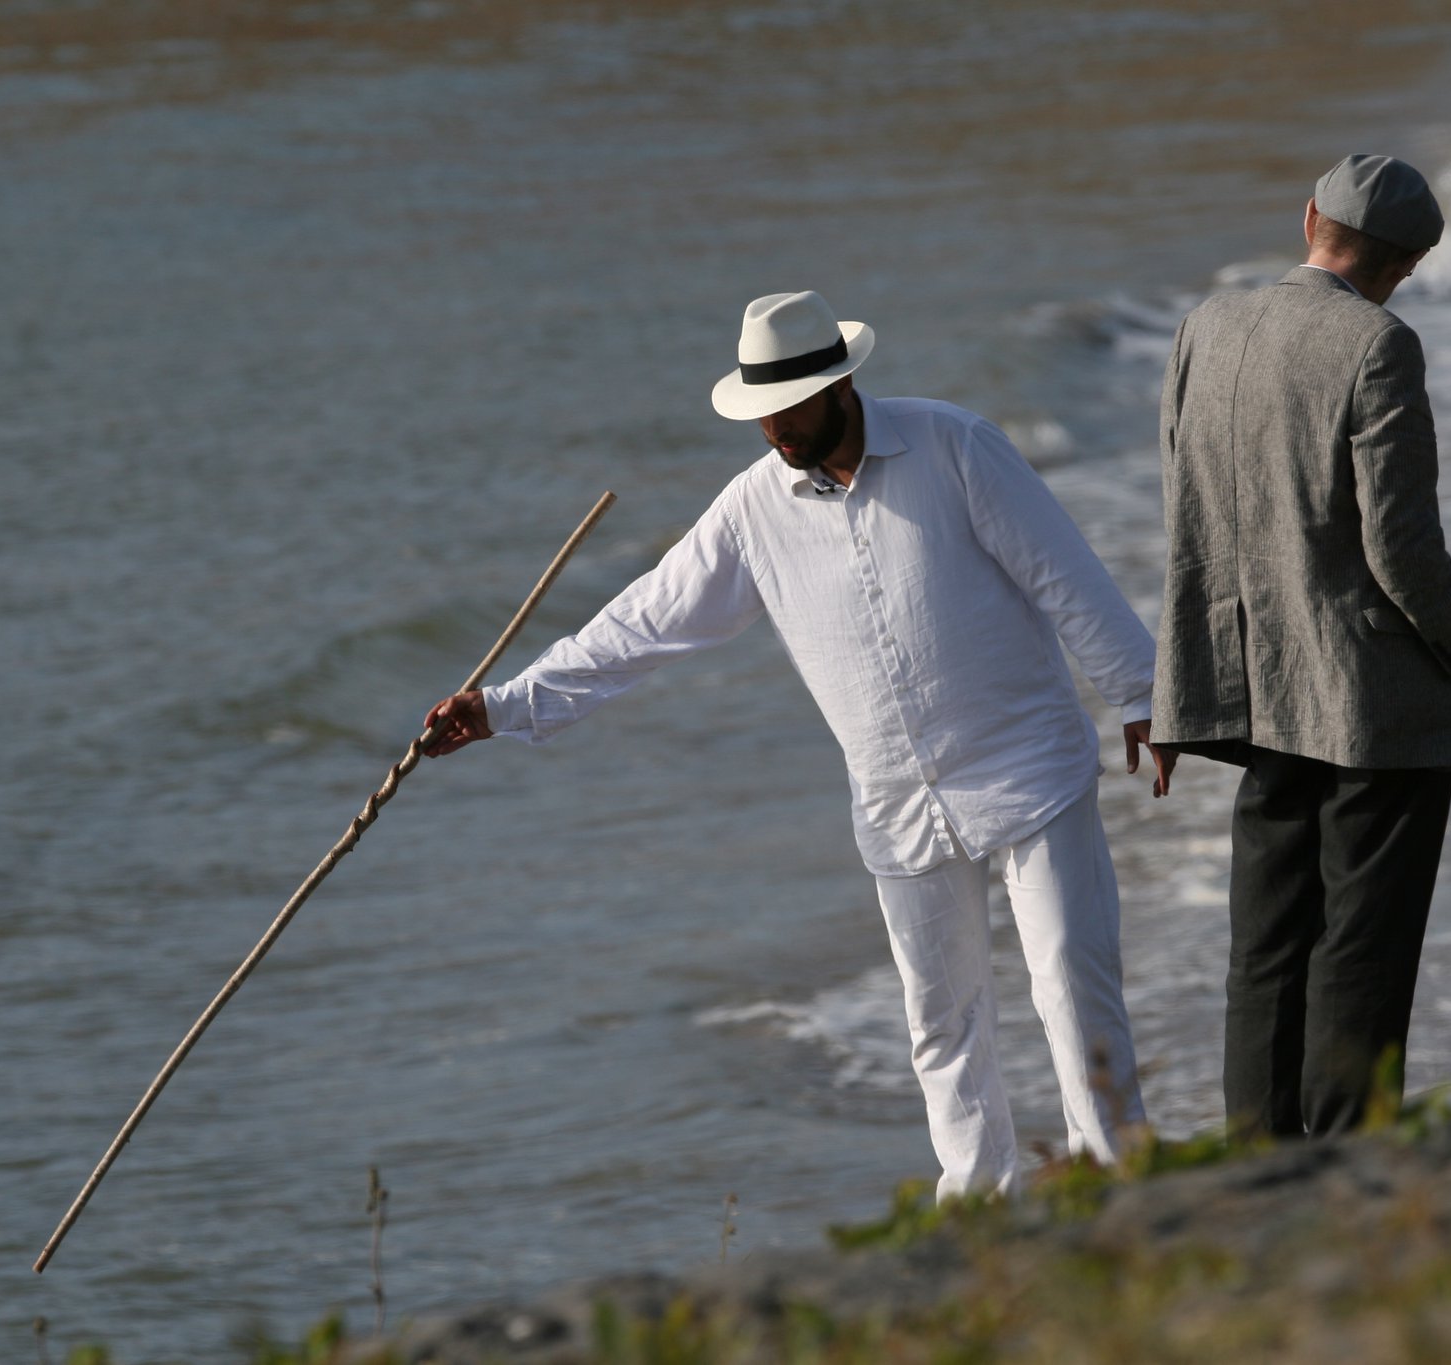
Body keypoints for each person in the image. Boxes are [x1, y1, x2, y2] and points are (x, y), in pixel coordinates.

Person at [424, 290, 1171, 1199]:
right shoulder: (750, 512)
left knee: (1072, 986)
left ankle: (1122, 1194)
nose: (776, 427)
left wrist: (1139, 691)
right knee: (941, 1021)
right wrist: (503, 706)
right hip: (899, 804)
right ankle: (976, 1211)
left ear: (843, 386)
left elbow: (1061, 568)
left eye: (792, 406)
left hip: (1029, 771)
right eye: (763, 412)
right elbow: (641, 625)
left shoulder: (954, 445)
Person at [1150, 155, 1451, 1137]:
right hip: (1365, 695)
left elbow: (1182, 505)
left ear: (1308, 220)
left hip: (1249, 679)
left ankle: (1254, 1153)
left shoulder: (1203, 326)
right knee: (1360, 941)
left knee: (1263, 940)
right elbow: (1400, 547)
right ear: (1408, 263)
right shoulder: (1378, 345)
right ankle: (1347, 1154)